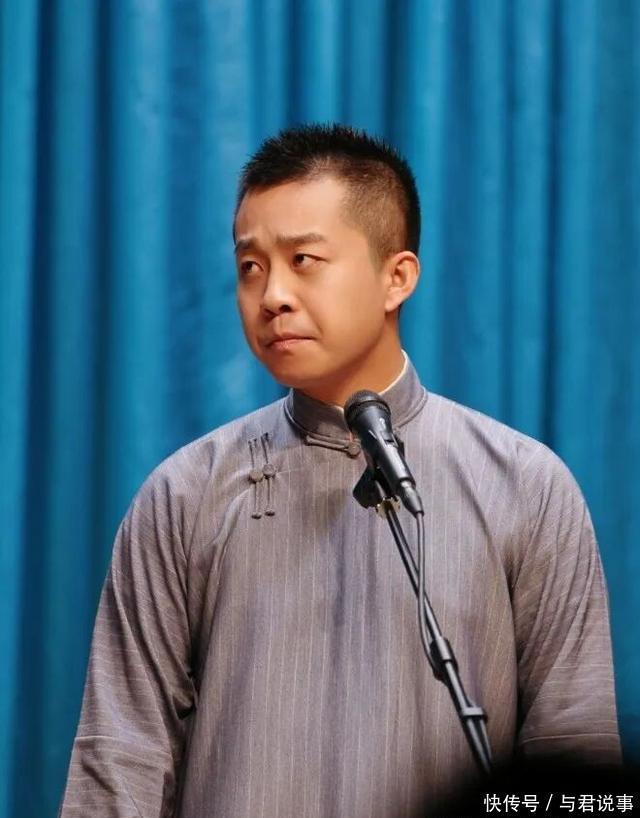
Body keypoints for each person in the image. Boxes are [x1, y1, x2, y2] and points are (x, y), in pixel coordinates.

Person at [59, 124, 621, 818]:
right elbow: (121, 761)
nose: (272, 295)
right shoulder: (184, 494)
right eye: (251, 267)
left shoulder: (525, 487)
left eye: (304, 260)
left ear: (397, 277)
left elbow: (573, 751)